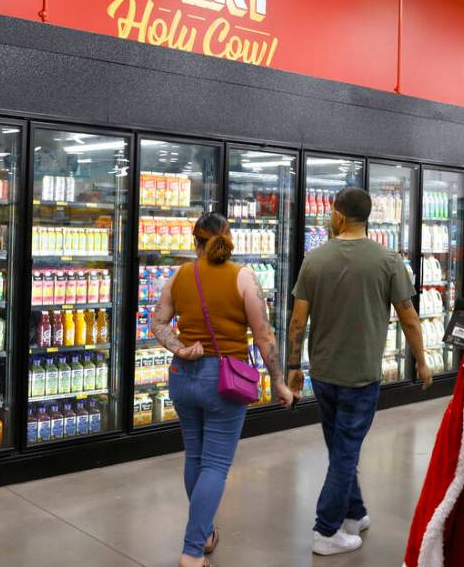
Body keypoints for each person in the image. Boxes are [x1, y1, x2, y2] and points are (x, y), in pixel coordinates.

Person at [286, 187, 433, 556]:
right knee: (346, 451)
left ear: (338, 216)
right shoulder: (388, 260)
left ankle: (355, 513)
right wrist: (422, 359)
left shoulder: (314, 260)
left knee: (340, 447)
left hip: (322, 373)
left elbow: (297, 320)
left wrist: (292, 366)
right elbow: (410, 318)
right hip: (362, 376)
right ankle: (325, 530)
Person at [151, 212, 295, 567]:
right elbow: (263, 335)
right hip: (225, 380)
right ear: (228, 238)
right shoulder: (244, 277)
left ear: (194, 241)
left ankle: (207, 531)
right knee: (215, 465)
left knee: (195, 459)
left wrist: (179, 348)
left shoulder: (180, 276)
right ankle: (192, 550)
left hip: (183, 375)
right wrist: (277, 379)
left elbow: (158, 321)